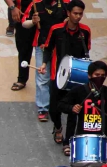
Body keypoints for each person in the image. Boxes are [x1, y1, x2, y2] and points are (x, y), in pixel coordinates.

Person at [58, 61, 107, 167]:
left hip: (101, 140)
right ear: (89, 76)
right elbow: (61, 104)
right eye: (96, 75)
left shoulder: (106, 93)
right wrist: (72, 108)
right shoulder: (79, 91)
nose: (100, 78)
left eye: (103, 76)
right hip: (81, 138)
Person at [39, 0, 91, 146]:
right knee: (54, 109)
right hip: (57, 75)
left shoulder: (85, 31)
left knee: (73, 111)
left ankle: (67, 142)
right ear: (68, 13)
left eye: (80, 14)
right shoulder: (56, 29)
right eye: (75, 13)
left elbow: (86, 52)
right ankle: (57, 126)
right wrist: (44, 64)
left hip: (77, 77)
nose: (78, 17)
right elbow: (48, 48)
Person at [22, 0, 69, 121]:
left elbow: (75, 18)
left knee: (63, 75)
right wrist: (33, 21)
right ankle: (43, 108)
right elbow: (24, 23)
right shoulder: (36, 4)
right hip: (42, 45)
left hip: (61, 46)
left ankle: (63, 104)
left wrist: (68, 21)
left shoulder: (67, 3)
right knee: (42, 77)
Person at [6, 0, 35, 92]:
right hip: (22, 15)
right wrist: (12, 7)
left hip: (45, 16)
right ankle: (22, 79)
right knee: (23, 49)